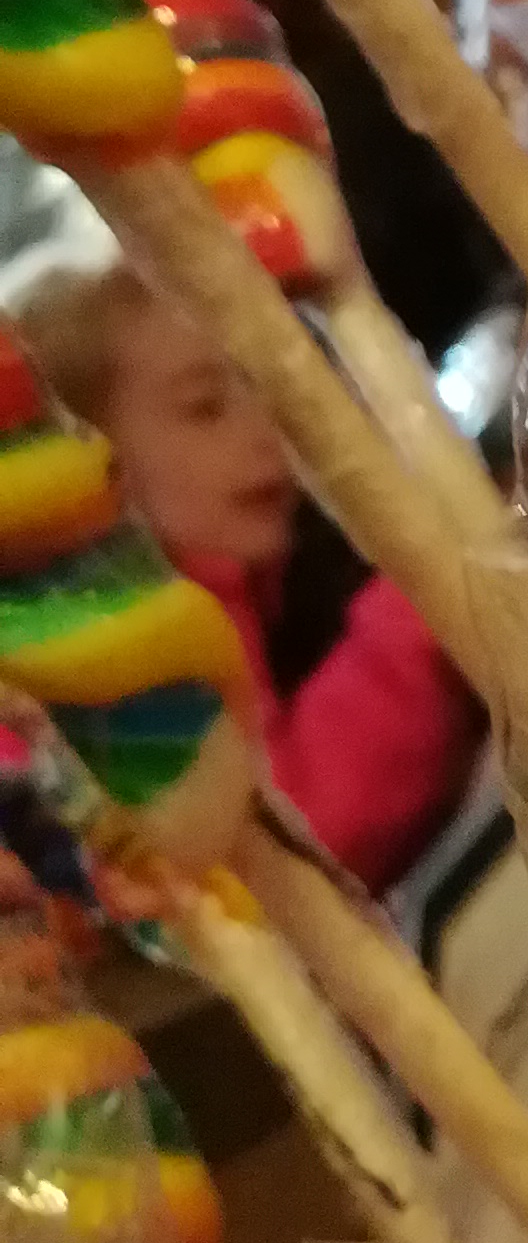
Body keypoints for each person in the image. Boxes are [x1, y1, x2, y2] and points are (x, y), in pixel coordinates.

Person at [15, 265, 484, 890]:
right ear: (97, 468)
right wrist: (425, 583)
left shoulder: (272, 584)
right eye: (204, 407)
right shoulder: (132, 667)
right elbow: (304, 833)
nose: (265, 429)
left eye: (254, 388)